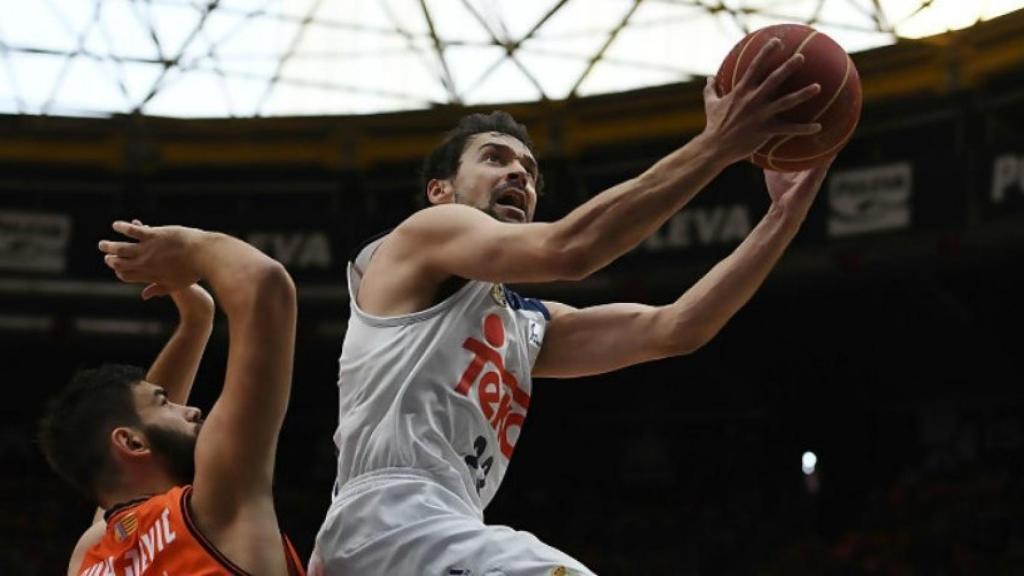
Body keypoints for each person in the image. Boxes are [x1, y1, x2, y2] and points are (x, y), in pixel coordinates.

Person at [310, 38, 833, 575]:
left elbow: (677, 328)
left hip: (428, 531)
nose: (518, 175)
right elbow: (572, 249)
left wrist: (783, 215)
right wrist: (717, 145)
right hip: (391, 519)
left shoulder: (521, 322)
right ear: (439, 190)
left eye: (530, 171)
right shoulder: (425, 234)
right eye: (495, 158)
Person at [39, 221, 304, 575]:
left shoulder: (91, 557)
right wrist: (190, 247)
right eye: (167, 403)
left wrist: (196, 322)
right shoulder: (213, 507)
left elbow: (132, 438)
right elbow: (265, 284)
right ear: (130, 442)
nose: (193, 409)